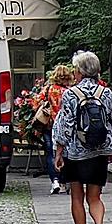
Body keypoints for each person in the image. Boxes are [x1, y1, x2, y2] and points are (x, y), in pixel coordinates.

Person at [50, 49, 112, 224]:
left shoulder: (71, 94)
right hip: (99, 152)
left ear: (80, 71)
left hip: (75, 153)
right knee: (95, 197)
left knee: (77, 197)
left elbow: (65, 125)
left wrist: (58, 151)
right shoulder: (106, 93)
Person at [38, 63, 77, 195]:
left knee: (51, 153)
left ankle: (55, 181)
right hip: (66, 126)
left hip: (49, 125)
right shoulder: (71, 91)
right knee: (66, 153)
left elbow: (35, 102)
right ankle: (64, 181)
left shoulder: (48, 89)